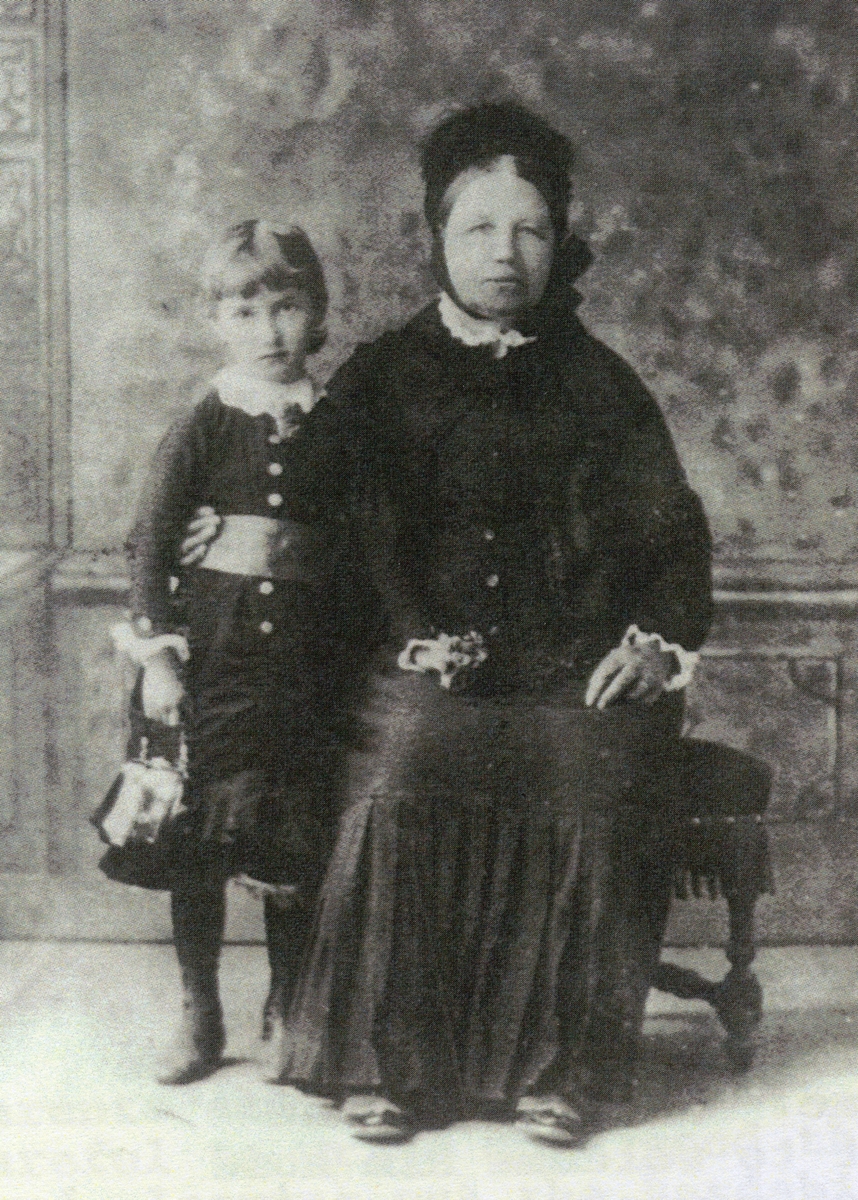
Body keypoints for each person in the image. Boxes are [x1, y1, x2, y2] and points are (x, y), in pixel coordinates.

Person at [266, 101, 714, 1146]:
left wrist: (652, 643)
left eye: (529, 230)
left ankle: (569, 1074)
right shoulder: (379, 379)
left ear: (559, 241)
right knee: (413, 754)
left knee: (592, 769)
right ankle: (390, 1064)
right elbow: (312, 526)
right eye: (479, 228)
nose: (505, 254)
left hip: (572, 670)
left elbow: (676, 543)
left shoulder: (602, 385)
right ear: (438, 237)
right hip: (423, 662)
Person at [113, 220, 359, 1085]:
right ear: (219, 320)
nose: (268, 331)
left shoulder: (336, 427)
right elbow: (150, 542)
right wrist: (159, 661)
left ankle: (287, 1001)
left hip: (301, 671)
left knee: (290, 840)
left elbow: (368, 541)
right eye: (245, 310)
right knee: (198, 844)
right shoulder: (206, 422)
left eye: (287, 308)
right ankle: (200, 1008)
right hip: (211, 662)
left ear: (317, 313)